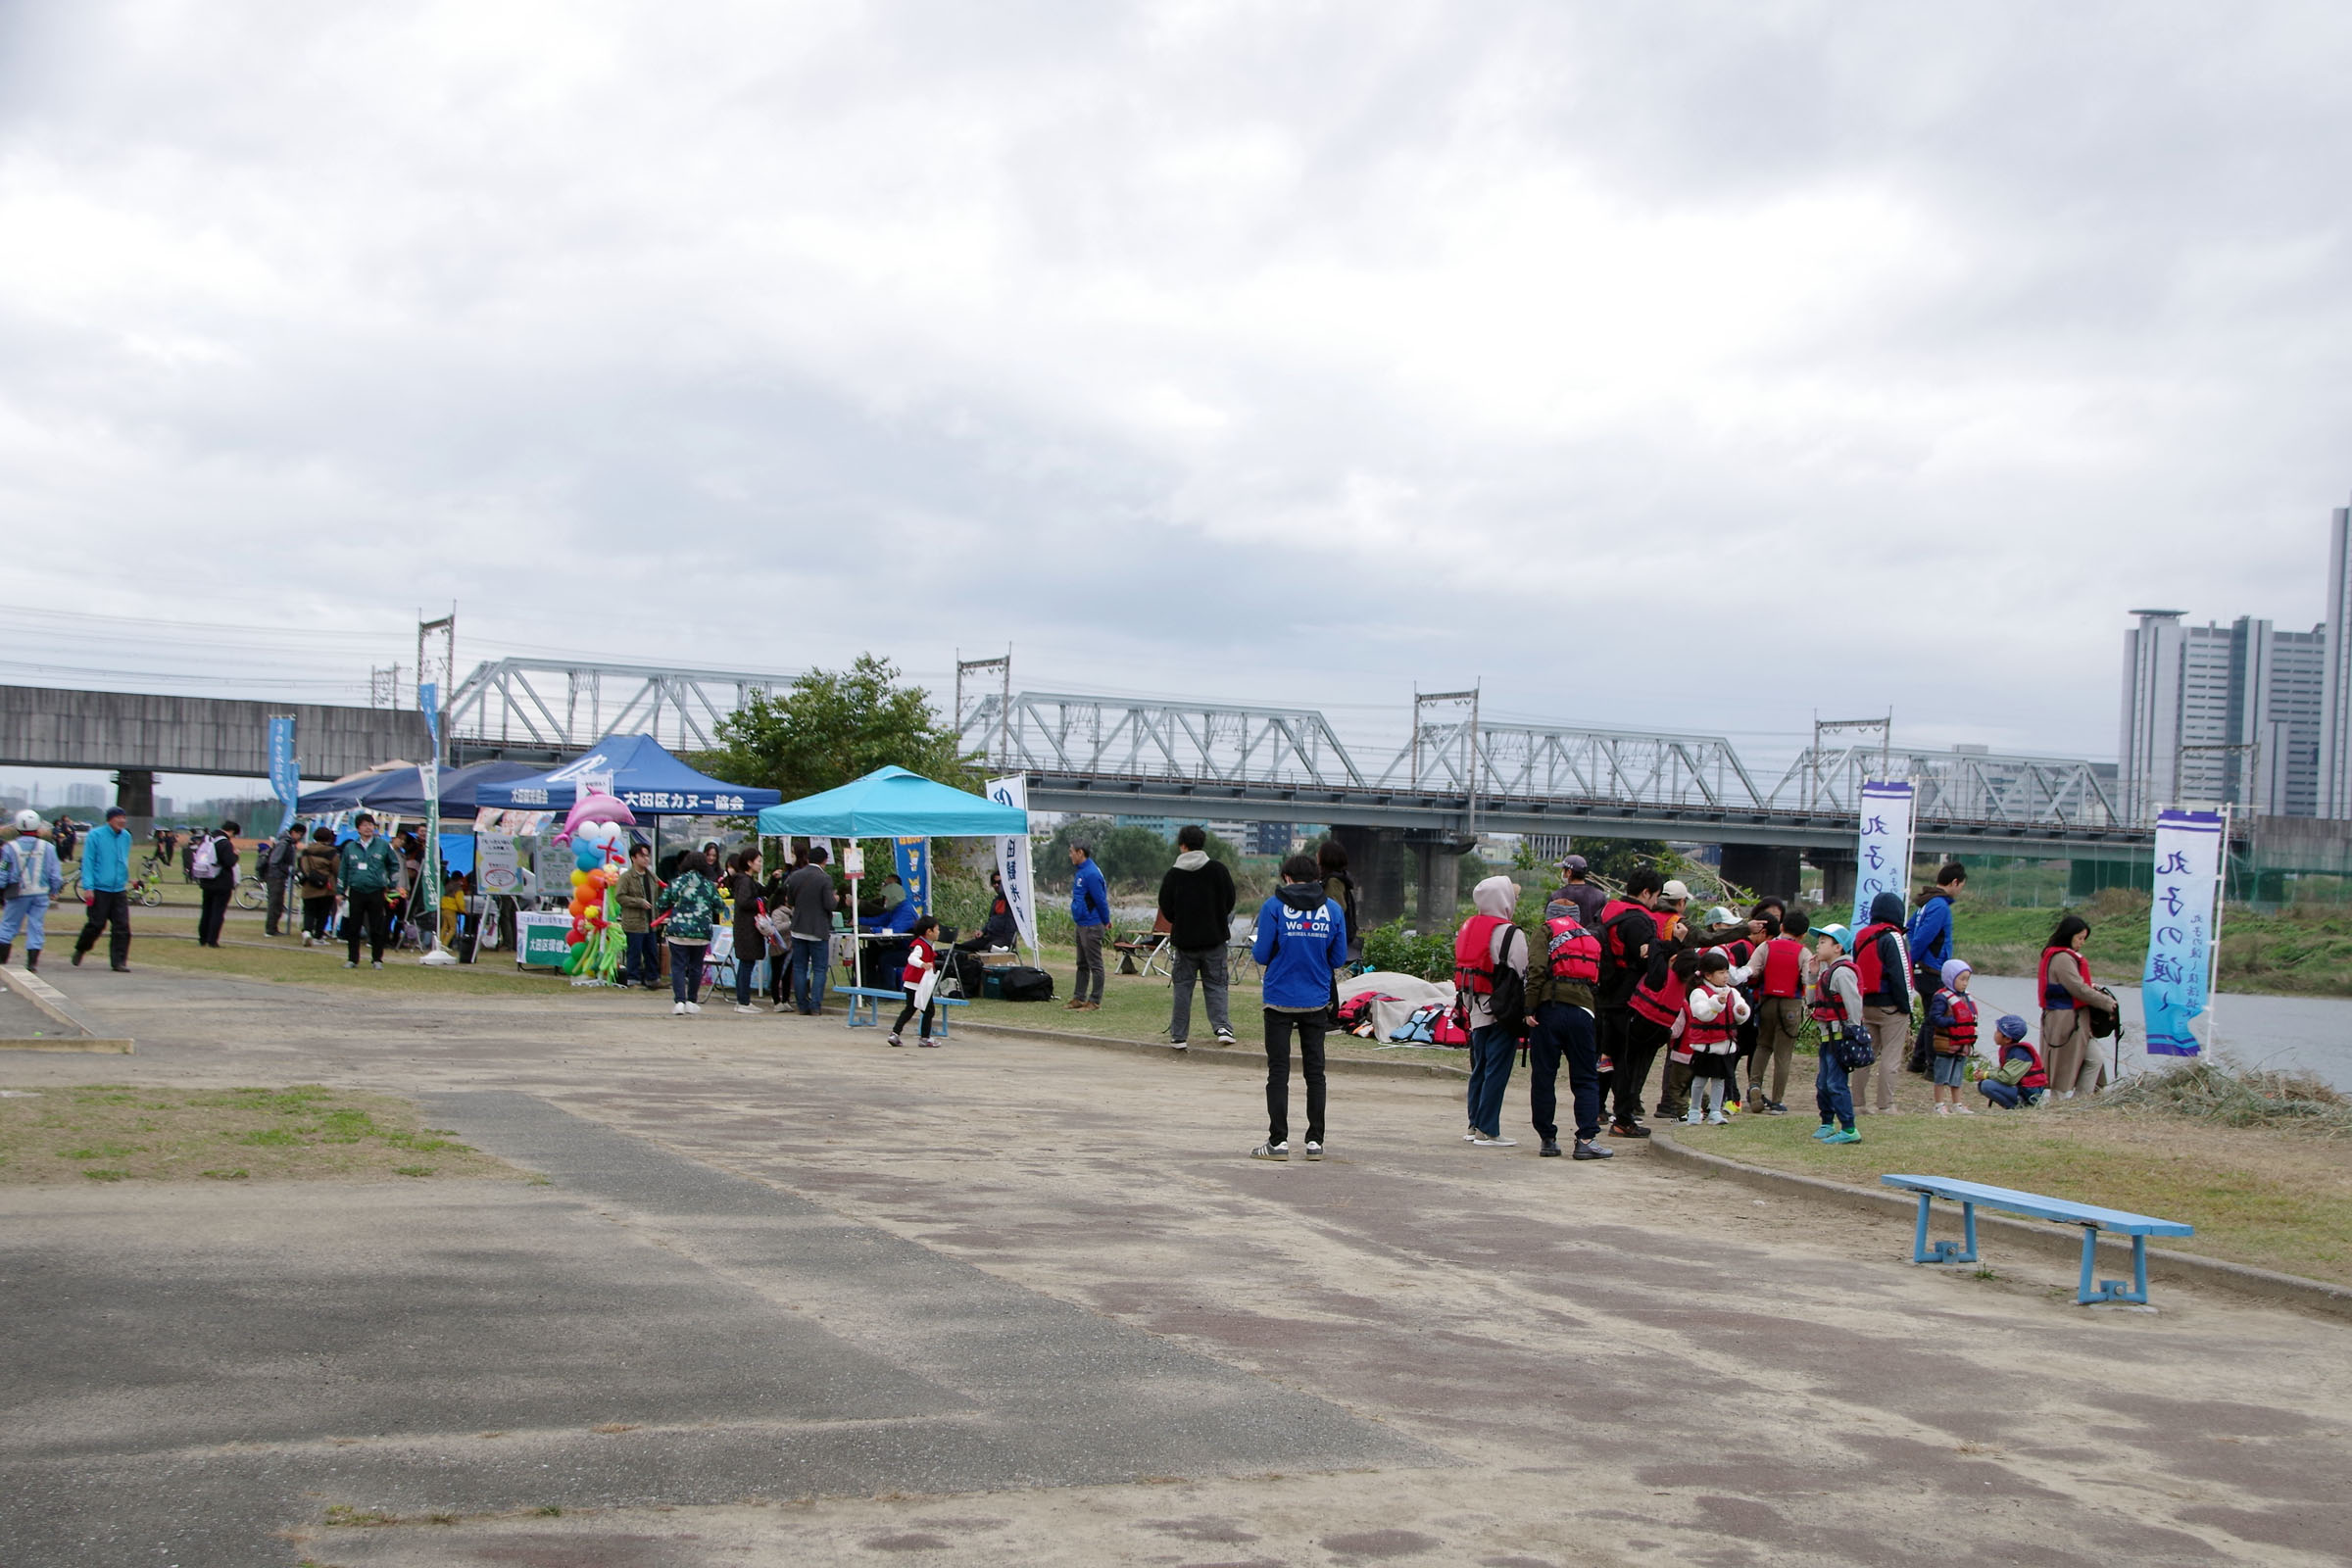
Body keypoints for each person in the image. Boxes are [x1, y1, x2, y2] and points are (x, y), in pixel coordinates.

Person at [1249, 853, 1349, 1161]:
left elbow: (1262, 954)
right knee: (1315, 1073)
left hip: (1279, 998)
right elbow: (1337, 958)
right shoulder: (1332, 909)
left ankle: (1278, 1142)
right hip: (1316, 1000)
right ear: (1316, 878)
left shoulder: (1273, 907)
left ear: (1287, 878)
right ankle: (1315, 1142)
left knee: (1278, 1072)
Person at [1525, 873, 1611, 1159]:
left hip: (1549, 1010)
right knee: (1586, 1077)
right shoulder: (1591, 937)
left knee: (1544, 1076)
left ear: (1550, 914)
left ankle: (1548, 1138)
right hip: (1584, 1012)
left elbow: (1536, 970)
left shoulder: (1545, 931)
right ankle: (1586, 1139)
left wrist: (1529, 1008)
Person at [1455, 874, 1529, 1149]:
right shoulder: (1510, 932)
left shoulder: (1468, 926)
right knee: (1497, 1068)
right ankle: (1489, 1130)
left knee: (1480, 1066)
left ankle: (1474, 1124)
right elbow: (1523, 970)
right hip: (1502, 1010)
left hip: (1473, 1006)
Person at [1596, 869, 1664, 1139]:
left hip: (1603, 993)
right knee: (1626, 1061)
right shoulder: (1639, 921)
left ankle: (1597, 1109)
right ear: (1646, 892)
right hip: (1628, 998)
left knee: (1604, 1057)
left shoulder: (1607, 911)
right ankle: (1623, 1118)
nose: (1656, 904)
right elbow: (1649, 961)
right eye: (1656, 896)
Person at [1157, 825, 1238, 1050]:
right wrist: (1217, 916)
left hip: (1185, 941)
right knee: (1217, 984)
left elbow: (1166, 907)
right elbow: (1230, 901)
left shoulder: (1173, 874)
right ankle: (1223, 1028)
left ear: (1182, 845)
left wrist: (1180, 920)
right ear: (1202, 844)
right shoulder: (1218, 870)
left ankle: (1179, 1035)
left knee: (1183, 987)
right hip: (1214, 939)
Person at [2038, 914, 2116, 1099]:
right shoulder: (2062, 958)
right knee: (2061, 1063)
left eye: (2084, 939)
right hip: (2063, 1020)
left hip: (2077, 1019)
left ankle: (2079, 1101)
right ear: (2068, 935)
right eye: (2079, 938)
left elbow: (2079, 986)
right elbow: (2078, 988)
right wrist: (2107, 1003)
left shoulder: (2064, 956)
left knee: (2094, 1059)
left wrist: (2094, 991)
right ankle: (2058, 1103)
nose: (2082, 942)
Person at [1849, 891, 1913, 1113]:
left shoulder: (1860, 936)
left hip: (1866, 1004)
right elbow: (1901, 975)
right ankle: (1886, 1105)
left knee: (1865, 1055)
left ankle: (1857, 1103)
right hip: (1890, 1008)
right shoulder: (1893, 937)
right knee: (1890, 1057)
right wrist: (1907, 1008)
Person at [1745, 906, 1809, 1114]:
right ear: (1803, 935)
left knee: (1763, 1045)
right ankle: (1776, 1101)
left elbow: (1752, 970)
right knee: (1783, 1053)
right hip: (1791, 1004)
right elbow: (1807, 979)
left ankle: (1755, 1086)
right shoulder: (1804, 952)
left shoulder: (1766, 947)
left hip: (1767, 1002)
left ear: (1781, 927)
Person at [1806, 922, 1865, 1145]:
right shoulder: (1825, 972)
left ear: (1838, 948)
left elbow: (1853, 1004)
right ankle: (1827, 1123)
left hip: (1839, 1036)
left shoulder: (1842, 973)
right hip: (1826, 1036)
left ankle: (1849, 1129)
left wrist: (1853, 1031)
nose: (1818, 946)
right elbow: (1811, 1002)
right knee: (1823, 1083)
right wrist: (1812, 977)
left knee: (1836, 1083)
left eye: (1823, 942)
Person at [1906, 863, 1967, 1071]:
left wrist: (1915, 958)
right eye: (1961, 886)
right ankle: (1932, 1066)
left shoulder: (1927, 903)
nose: (1960, 891)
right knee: (1937, 1017)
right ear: (1955, 882)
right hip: (1932, 970)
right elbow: (1922, 936)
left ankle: (1917, 1061)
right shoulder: (1940, 905)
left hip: (1925, 968)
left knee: (1930, 1015)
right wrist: (1920, 958)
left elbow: (1910, 927)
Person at [1680, 949, 1750, 1126]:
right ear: (1708, 975)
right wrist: (1717, 1003)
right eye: (1721, 972)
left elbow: (1741, 1010)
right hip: (1706, 1046)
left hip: (1725, 1044)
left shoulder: (1732, 992)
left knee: (1720, 1080)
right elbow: (1702, 1013)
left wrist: (1741, 1012)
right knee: (1699, 1080)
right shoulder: (1699, 992)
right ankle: (1694, 1110)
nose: (1726, 976)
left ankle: (1715, 1111)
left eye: (1727, 971)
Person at [657, 854, 727, 1015]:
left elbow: (661, 903)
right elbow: (719, 906)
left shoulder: (676, 883)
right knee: (696, 967)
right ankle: (691, 1001)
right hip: (701, 932)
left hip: (678, 930)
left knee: (678, 966)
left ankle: (679, 1001)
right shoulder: (708, 886)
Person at [71, 805, 136, 971]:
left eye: (124, 818)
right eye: (118, 818)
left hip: (118, 889)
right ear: (110, 819)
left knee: (122, 926)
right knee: (96, 924)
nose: (122, 821)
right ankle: (81, 948)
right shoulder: (95, 835)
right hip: (100, 888)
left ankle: (119, 961)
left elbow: (123, 860)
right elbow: (89, 862)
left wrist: (128, 879)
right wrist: (88, 887)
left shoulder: (126, 836)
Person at [0, 809, 64, 970]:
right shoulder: (48, 847)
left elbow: (3, 872)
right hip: (40, 892)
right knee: (36, 926)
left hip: (18, 893)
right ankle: (32, 963)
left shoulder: (9, 848)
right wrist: (54, 890)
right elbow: (55, 874)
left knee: (8, 925)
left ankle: (2, 960)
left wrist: (1, 889)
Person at [336, 812, 400, 969]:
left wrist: (392, 883)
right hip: (356, 890)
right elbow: (343, 870)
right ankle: (352, 959)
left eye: (371, 824)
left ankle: (377, 959)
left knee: (377, 926)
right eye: (364, 825)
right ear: (358, 828)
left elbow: (394, 865)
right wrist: (340, 891)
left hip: (376, 891)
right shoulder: (351, 847)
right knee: (354, 926)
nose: (368, 828)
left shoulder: (383, 845)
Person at [784, 845, 839, 1014]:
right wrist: (836, 899)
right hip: (817, 929)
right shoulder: (825, 879)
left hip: (798, 927)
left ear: (808, 859)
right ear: (825, 861)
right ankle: (815, 1006)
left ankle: (802, 1005)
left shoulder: (795, 876)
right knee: (819, 969)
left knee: (800, 967)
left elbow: (790, 901)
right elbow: (829, 904)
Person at [1927, 958, 1979, 1115]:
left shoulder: (1967, 997)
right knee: (1941, 1075)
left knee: (1957, 1077)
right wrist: (1954, 1021)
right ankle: (1939, 1104)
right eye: (1962, 979)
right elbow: (1934, 1018)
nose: (1965, 983)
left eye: (1967, 979)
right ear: (1950, 978)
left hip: (1963, 1045)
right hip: (1946, 1043)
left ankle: (1957, 1104)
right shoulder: (1942, 997)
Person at [888, 913, 945, 1047]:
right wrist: (923, 965)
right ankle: (925, 1038)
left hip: (916, 984)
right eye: (937, 929)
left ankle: (895, 1034)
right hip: (917, 984)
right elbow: (911, 959)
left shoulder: (927, 945)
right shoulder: (920, 946)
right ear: (929, 932)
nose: (938, 932)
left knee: (911, 1009)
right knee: (928, 1010)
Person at [1066, 840, 1110, 1011]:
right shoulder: (1081, 872)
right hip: (1081, 923)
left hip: (1092, 924)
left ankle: (1095, 1000)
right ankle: (1079, 997)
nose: (1070, 855)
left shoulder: (1091, 873)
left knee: (1095, 964)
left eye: (1072, 852)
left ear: (1080, 853)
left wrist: (1106, 920)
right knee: (1081, 963)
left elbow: (1100, 900)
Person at [614, 841, 662, 989]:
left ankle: (652, 979)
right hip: (634, 922)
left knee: (651, 952)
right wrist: (638, 902)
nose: (646, 859)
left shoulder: (651, 876)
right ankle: (632, 979)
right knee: (634, 952)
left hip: (651, 921)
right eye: (642, 856)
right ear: (633, 858)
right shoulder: (627, 877)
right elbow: (620, 897)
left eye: (647, 856)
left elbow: (660, 891)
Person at [1978, 1015, 2048, 1109]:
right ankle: (2015, 1106)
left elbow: (2009, 1078)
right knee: (1982, 1084)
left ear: (2007, 1039)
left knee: (1987, 1085)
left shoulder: (2020, 1054)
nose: (1995, 1033)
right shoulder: (2009, 1050)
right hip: (2022, 1090)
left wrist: (1986, 1074)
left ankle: (2018, 1107)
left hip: (2029, 1094)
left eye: (1998, 1031)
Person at [727, 849, 768, 1012]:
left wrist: (772, 881)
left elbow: (763, 891)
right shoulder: (744, 881)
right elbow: (744, 902)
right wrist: (761, 902)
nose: (760, 863)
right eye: (758, 860)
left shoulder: (748, 880)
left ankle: (744, 1000)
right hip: (746, 929)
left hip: (747, 928)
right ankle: (742, 1001)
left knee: (747, 964)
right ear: (749, 863)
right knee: (746, 964)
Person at [193, 819, 241, 948]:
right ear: (231, 831)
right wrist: (236, 855)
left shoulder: (208, 839)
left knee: (206, 910)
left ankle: (202, 938)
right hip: (221, 882)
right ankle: (212, 940)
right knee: (218, 912)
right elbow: (229, 862)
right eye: (234, 835)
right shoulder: (224, 843)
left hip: (206, 879)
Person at [1317, 839, 1361, 963]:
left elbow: (1338, 908)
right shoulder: (1340, 878)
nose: (1317, 856)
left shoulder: (1332, 882)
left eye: (1319, 853)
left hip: (1330, 937)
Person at [956, 870, 1019, 954]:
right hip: (990, 937)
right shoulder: (995, 901)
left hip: (1005, 939)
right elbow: (991, 920)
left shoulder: (1012, 902)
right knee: (962, 947)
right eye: (993, 883)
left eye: (999, 882)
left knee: (989, 947)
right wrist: (982, 931)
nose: (996, 885)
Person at [297, 826, 339, 947]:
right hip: (326, 887)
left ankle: (307, 932)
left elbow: (302, 866)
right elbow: (337, 869)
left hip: (308, 885)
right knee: (323, 913)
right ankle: (318, 936)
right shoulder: (331, 852)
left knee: (309, 911)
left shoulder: (306, 850)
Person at [262, 820, 305, 938]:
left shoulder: (287, 843)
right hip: (275, 877)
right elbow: (274, 861)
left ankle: (272, 928)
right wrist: (290, 869)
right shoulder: (284, 843)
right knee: (275, 903)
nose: (300, 838)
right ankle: (270, 929)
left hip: (279, 876)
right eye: (300, 835)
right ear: (293, 832)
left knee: (278, 903)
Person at [1552, 854, 1606, 931]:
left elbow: (1550, 924)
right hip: (1591, 941)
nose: (1562, 873)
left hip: (1565, 942)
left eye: (1563, 870)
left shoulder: (1557, 895)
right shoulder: (1600, 896)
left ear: (1569, 872)